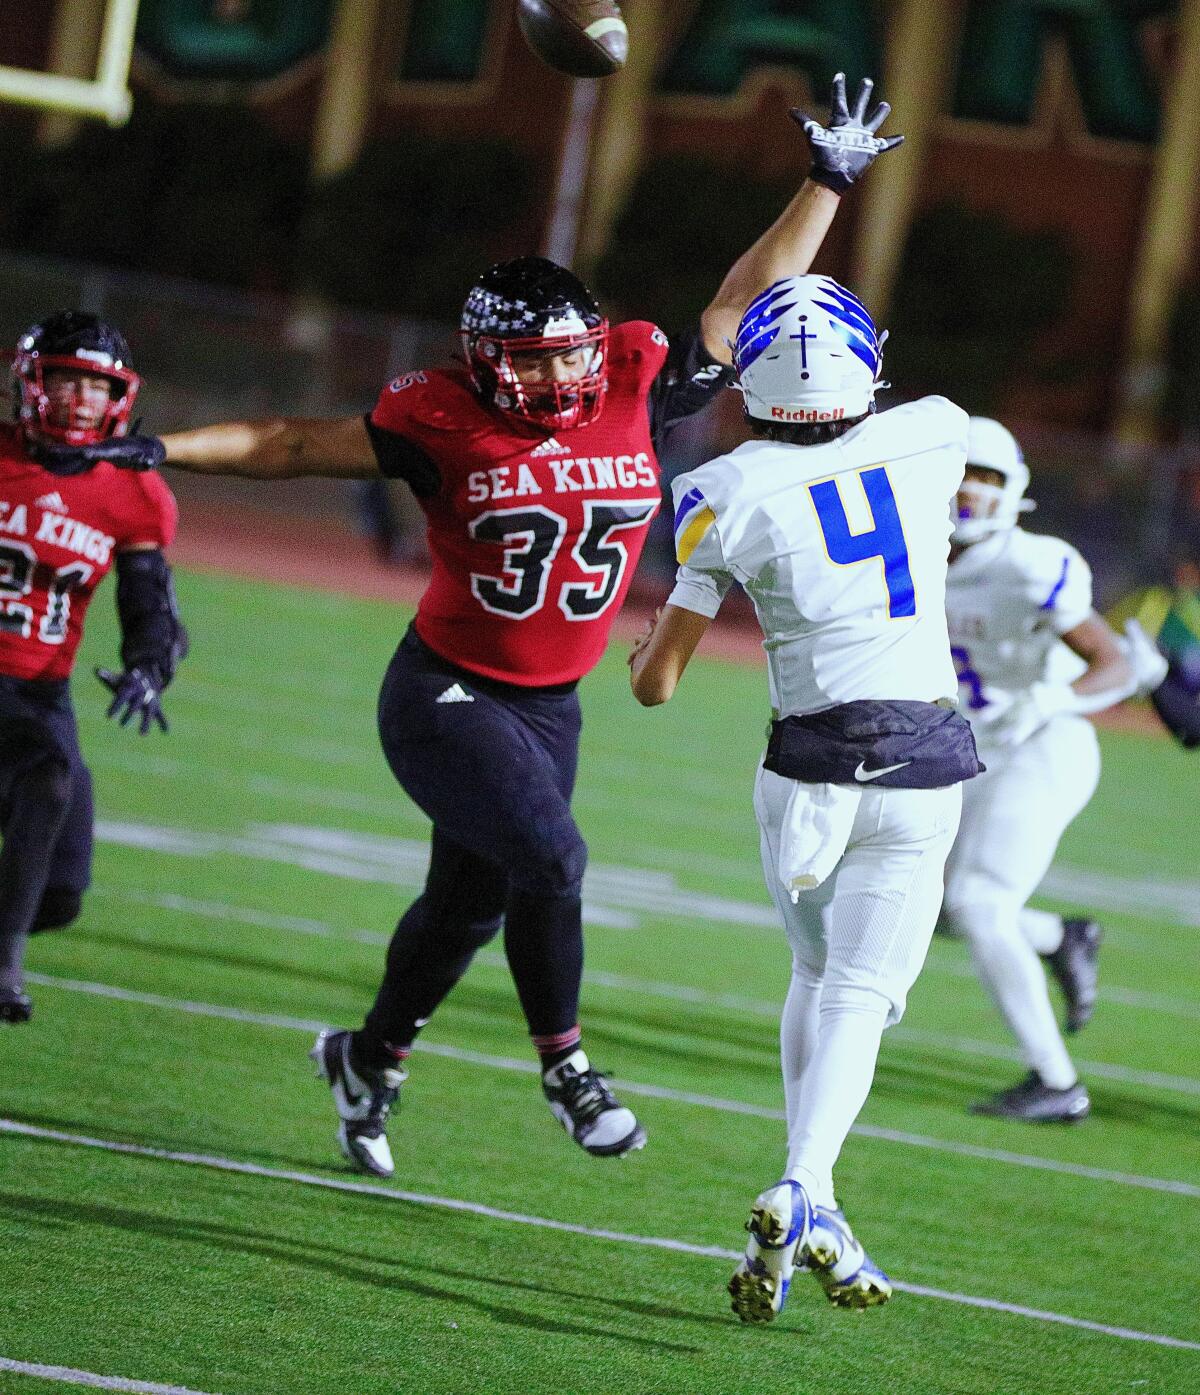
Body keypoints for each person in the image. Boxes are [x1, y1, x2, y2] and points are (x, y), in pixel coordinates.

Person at [55, 77, 905, 1179]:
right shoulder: (438, 414)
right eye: (535, 358)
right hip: (443, 693)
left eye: (568, 353)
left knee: (462, 911)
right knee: (553, 862)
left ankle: (366, 1058)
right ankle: (568, 1068)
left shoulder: (636, 381)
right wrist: (166, 447)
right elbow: (291, 443)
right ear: (488, 358)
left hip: (551, 709)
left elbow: (750, 296)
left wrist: (828, 179)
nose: (557, 374)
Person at [630, 275, 978, 1320]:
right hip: (921, 767)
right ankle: (806, 1185)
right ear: (869, 363)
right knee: (860, 998)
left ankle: (814, 1196)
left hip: (806, 773)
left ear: (750, 388)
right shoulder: (937, 431)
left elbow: (656, 683)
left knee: (816, 971)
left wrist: (649, 645)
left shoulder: (721, 490)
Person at [939, 418, 1157, 1121]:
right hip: (976, 750)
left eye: (990, 477)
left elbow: (1113, 661)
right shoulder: (908, 552)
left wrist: (1054, 696)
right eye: (964, 470)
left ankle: (1057, 1082)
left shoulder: (1027, 564)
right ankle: (1063, 937)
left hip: (1043, 743)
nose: (973, 488)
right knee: (942, 910)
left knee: (978, 903)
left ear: (1016, 492)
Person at [0, 311, 184, 1024]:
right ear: (30, 384)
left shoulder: (131, 490)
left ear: (121, 398)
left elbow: (149, 604)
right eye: (65, 381)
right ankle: (6, 968)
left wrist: (149, 663)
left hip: (40, 693)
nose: (79, 400)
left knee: (63, 892)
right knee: (50, 781)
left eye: (95, 386)